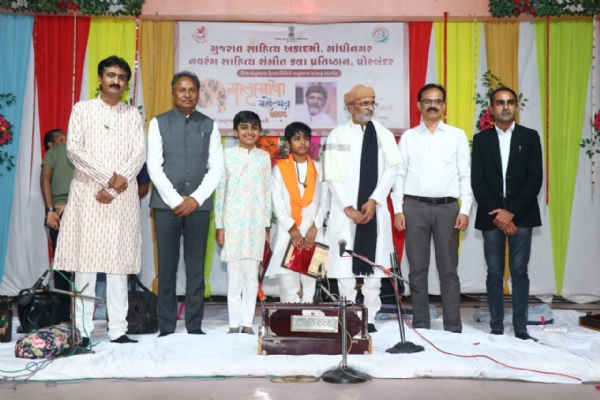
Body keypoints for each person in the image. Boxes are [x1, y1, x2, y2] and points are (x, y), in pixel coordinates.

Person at [53, 55, 146, 346]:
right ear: (100, 78)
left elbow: (138, 155)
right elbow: (74, 151)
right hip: (88, 194)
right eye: (110, 75)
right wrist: (109, 178)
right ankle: (82, 329)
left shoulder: (132, 115)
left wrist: (116, 187)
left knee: (118, 265)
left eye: (121, 77)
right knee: (86, 263)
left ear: (126, 83)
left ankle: (118, 329)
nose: (116, 80)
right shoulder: (82, 110)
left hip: (121, 197)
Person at [147, 71, 224, 337]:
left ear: (198, 93)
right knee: (166, 267)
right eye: (182, 90)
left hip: (199, 207)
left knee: (195, 268)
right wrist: (175, 200)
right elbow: (154, 167)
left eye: (192, 90)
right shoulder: (158, 123)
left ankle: (194, 326)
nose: (187, 94)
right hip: (166, 206)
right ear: (173, 93)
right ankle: (166, 327)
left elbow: (216, 169)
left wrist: (195, 199)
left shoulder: (210, 125)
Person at [391, 83, 472, 333]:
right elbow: (399, 174)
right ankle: (422, 324)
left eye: (437, 101)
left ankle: (453, 326)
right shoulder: (409, 137)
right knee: (417, 270)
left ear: (444, 106)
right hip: (414, 208)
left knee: (448, 270)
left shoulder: (457, 135)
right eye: (427, 101)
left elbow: (465, 175)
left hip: (448, 209)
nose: (433, 105)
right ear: (419, 105)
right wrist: (397, 209)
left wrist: (465, 209)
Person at [323, 84, 403, 333]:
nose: (370, 107)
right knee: (344, 267)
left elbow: (392, 171)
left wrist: (374, 200)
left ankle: (369, 315)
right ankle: (347, 312)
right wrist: (348, 207)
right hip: (344, 211)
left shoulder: (384, 134)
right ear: (350, 108)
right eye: (364, 103)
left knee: (374, 269)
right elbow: (331, 175)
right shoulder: (337, 135)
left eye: (372, 102)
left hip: (374, 210)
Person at [471, 87, 543, 341]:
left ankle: (520, 327)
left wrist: (511, 212)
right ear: (492, 108)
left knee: (519, 270)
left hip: (521, 214)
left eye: (510, 102)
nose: (505, 106)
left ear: (516, 107)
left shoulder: (530, 136)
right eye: (500, 102)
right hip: (492, 215)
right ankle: (497, 325)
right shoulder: (482, 139)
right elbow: (477, 181)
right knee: (494, 272)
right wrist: (499, 214)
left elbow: (535, 178)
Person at [215, 111, 271, 334]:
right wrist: (221, 225)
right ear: (235, 131)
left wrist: (266, 227)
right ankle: (233, 324)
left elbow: (267, 194)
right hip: (233, 224)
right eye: (244, 127)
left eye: (254, 128)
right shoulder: (227, 156)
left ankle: (247, 323)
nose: (250, 132)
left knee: (251, 278)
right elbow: (220, 193)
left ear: (259, 131)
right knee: (234, 278)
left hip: (255, 225)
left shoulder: (264, 157)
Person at [266, 122, 330, 302]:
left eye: (306, 138)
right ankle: (290, 317)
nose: (302, 142)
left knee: (310, 279)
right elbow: (276, 202)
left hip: (312, 231)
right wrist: (292, 229)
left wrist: (315, 227)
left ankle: (309, 314)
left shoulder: (319, 168)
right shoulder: (279, 169)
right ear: (287, 143)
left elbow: (325, 200)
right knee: (288, 279)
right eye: (296, 139)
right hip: (288, 232)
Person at [40, 128, 74, 322]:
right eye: (60, 139)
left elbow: (44, 178)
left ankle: (64, 314)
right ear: (50, 145)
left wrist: (50, 209)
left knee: (62, 264)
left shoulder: (55, 153)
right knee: (84, 262)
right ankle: (82, 311)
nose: (65, 141)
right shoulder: (57, 152)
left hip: (59, 211)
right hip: (80, 208)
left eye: (66, 138)